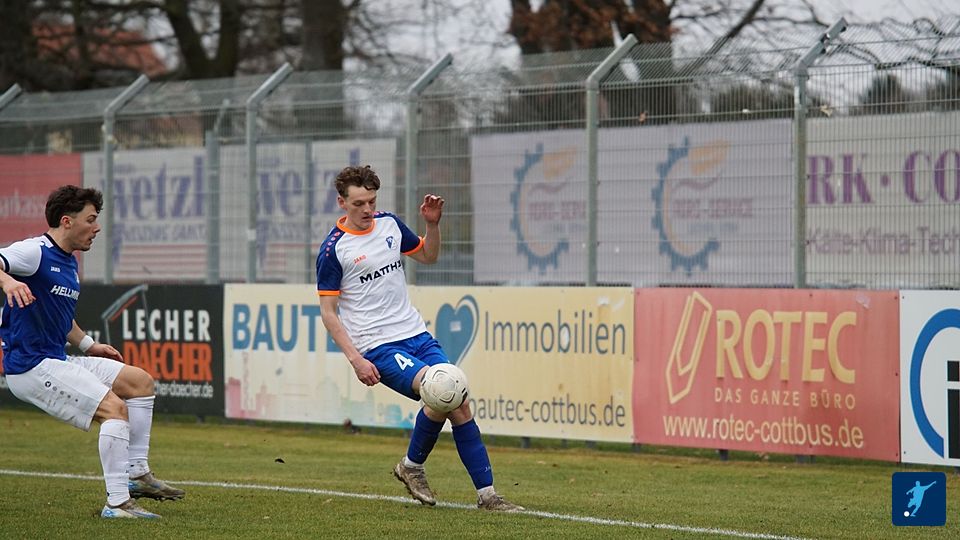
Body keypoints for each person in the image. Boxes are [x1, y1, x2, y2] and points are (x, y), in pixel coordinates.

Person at [316, 165, 523, 512]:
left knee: (456, 399)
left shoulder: (389, 225)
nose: (367, 209)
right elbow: (328, 312)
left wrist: (432, 226)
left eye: (371, 201)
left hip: (416, 333)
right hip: (378, 345)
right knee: (441, 390)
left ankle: (482, 494)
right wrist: (356, 359)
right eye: (358, 203)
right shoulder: (334, 250)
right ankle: (420, 470)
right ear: (342, 202)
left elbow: (428, 255)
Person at [0, 185, 184, 519]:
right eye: (91, 219)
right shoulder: (34, 252)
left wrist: (89, 345)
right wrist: (7, 281)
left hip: (55, 358)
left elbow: (61, 318)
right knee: (114, 409)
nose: (96, 228)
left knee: (139, 382)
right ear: (67, 221)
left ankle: (136, 473)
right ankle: (117, 504)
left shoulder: (68, 262)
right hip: (30, 366)